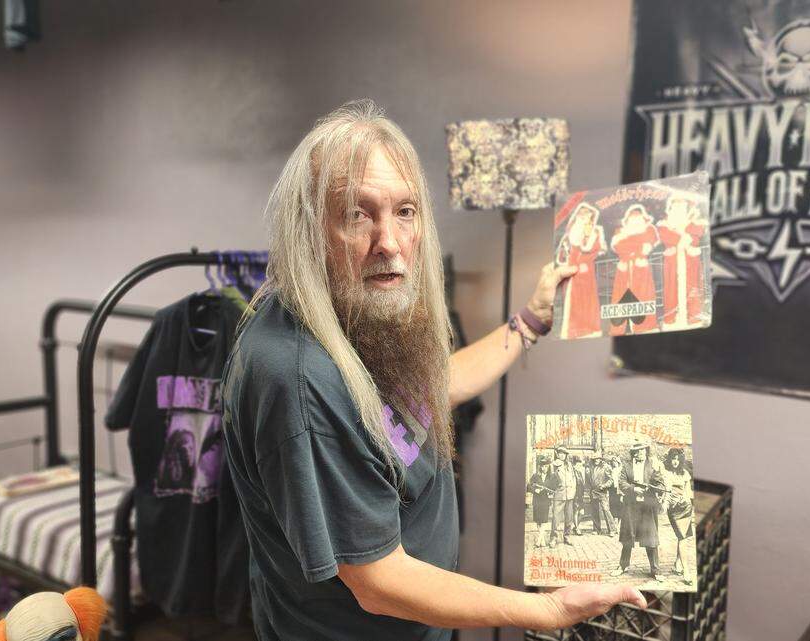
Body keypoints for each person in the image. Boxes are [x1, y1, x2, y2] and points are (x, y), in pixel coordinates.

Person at [221, 100, 645, 641]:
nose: (390, 244)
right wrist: (549, 611)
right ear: (308, 228)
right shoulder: (302, 380)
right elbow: (378, 581)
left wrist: (531, 320)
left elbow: (430, 389)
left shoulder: (351, 312)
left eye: (405, 211)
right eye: (357, 214)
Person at [611, 443, 665, 581]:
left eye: (643, 451)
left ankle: (656, 570)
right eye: (637, 451)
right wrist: (634, 488)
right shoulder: (627, 466)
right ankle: (623, 566)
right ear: (633, 453)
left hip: (647, 507)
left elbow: (660, 483)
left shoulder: (652, 465)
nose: (641, 453)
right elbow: (621, 482)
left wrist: (657, 489)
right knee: (628, 537)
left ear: (646, 452)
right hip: (631, 506)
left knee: (651, 537)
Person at [555, 202, 605, 339]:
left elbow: (591, 249)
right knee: (572, 300)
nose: (584, 220)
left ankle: (588, 329)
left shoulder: (594, 232)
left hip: (586, 269)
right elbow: (563, 254)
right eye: (582, 217)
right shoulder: (569, 234)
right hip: (572, 270)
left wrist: (588, 236)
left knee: (587, 299)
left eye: (588, 218)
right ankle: (574, 329)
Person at [656, 193, 707, 328]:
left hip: (690, 261)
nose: (678, 209)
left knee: (692, 288)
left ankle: (694, 318)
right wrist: (684, 237)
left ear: (687, 209)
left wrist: (680, 235)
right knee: (671, 289)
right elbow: (666, 236)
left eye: (681, 207)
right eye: (675, 206)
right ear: (670, 208)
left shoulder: (695, 224)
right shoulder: (664, 225)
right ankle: (671, 319)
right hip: (672, 262)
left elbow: (696, 234)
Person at [609, 205, 659, 335]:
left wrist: (629, 242)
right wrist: (637, 244)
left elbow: (646, 248)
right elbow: (618, 247)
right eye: (632, 219)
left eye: (638, 218)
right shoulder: (619, 232)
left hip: (640, 270)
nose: (635, 221)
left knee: (643, 296)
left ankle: (644, 328)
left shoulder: (650, 229)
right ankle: (620, 329)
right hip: (624, 270)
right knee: (620, 298)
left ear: (643, 219)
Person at [661, 447, 695, 576]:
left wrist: (689, 505)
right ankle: (686, 570)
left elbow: (688, 493)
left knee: (683, 537)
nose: (675, 461)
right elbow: (667, 492)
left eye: (677, 459)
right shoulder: (666, 473)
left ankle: (678, 565)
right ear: (670, 460)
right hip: (673, 509)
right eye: (673, 459)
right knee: (682, 537)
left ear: (680, 460)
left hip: (685, 508)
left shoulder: (685, 473)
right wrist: (665, 504)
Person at [527, 455, 554, 548]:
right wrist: (535, 490)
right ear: (540, 467)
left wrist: (551, 493)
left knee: (544, 521)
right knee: (538, 521)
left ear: (549, 467)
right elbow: (528, 486)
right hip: (537, 501)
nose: (544, 468)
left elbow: (554, 488)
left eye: (546, 466)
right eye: (543, 466)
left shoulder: (551, 477)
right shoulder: (535, 476)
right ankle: (542, 540)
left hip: (545, 501)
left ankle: (538, 540)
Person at [590, 457, 616, 537]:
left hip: (602, 492)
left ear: (601, 459)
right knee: (595, 510)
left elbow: (611, 480)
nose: (596, 460)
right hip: (593, 491)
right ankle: (596, 529)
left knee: (606, 510)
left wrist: (604, 486)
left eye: (598, 459)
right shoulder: (592, 467)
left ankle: (612, 529)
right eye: (594, 459)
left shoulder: (606, 467)